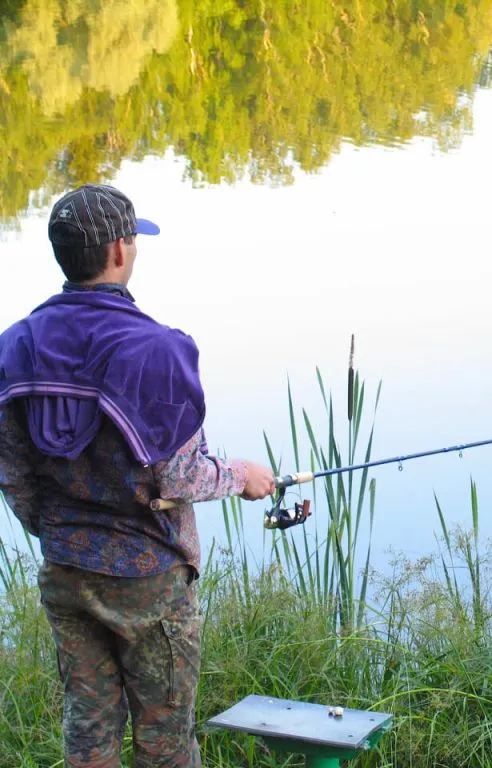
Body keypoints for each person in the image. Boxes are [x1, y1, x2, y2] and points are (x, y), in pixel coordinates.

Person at [0, 184, 277, 768]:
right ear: (120, 251)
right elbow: (179, 477)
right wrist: (241, 475)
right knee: (165, 742)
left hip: (67, 570)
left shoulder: (16, 347)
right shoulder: (154, 349)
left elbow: (14, 476)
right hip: (147, 577)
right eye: (133, 240)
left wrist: (57, 530)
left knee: (89, 733)